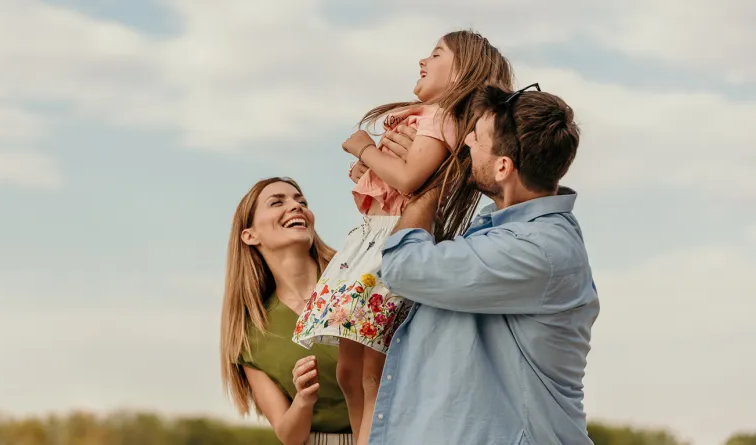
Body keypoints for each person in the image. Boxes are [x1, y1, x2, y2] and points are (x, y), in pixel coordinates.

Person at [291, 30, 513, 445]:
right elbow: (403, 180)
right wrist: (372, 172)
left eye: (435, 54)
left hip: (388, 244)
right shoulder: (424, 118)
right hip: (370, 240)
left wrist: (364, 150)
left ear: (461, 70)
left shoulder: (439, 117)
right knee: (348, 370)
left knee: (372, 372)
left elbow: (411, 179)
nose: (422, 61)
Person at [369, 84, 600, 445]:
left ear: (504, 166)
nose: (464, 145)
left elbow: (404, 266)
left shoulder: (536, 249)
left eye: (476, 137)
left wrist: (428, 185)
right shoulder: (508, 234)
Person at [220, 177, 360, 445]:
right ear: (250, 235)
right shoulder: (250, 337)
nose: (296, 206)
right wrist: (303, 399)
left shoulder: (357, 280)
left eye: (301, 202)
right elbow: (290, 435)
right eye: (277, 202)